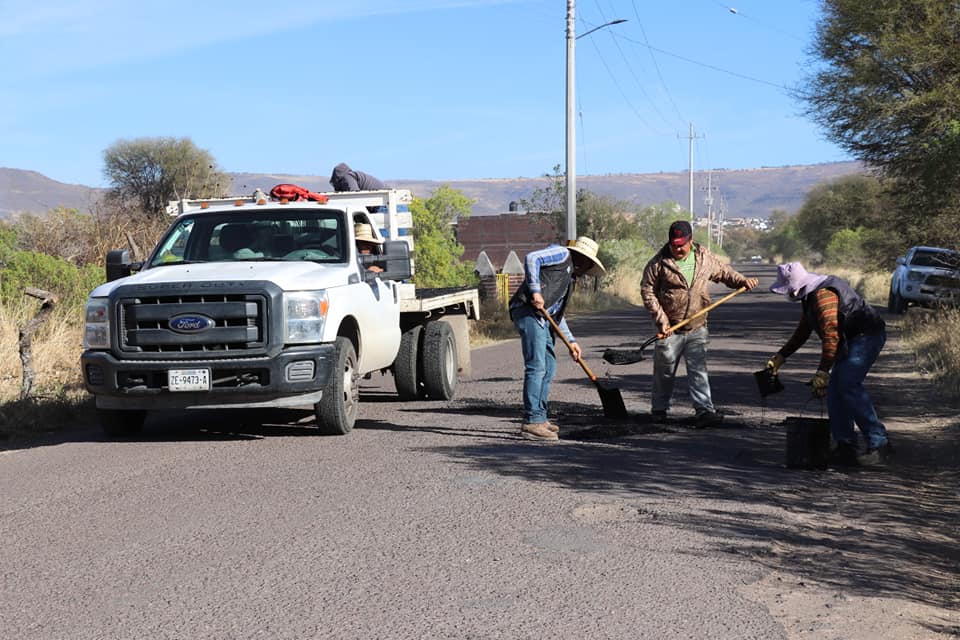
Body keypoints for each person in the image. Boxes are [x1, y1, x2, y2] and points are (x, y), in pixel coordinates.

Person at [765, 262, 891, 466]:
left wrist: (822, 372)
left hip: (866, 336)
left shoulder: (823, 296)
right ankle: (845, 446)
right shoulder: (810, 296)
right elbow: (803, 331)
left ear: (796, 287)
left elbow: (831, 336)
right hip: (850, 338)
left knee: (848, 384)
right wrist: (781, 356)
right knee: (835, 390)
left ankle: (879, 444)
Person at [640, 220, 759, 427]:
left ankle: (704, 411)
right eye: (673, 244)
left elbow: (725, 273)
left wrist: (742, 281)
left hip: (697, 325)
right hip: (670, 328)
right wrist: (661, 320)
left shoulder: (704, 258)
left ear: (690, 241)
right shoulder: (658, 263)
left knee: (698, 371)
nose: (677, 248)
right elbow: (647, 290)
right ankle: (659, 410)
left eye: (681, 245)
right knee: (664, 371)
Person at [508, 236, 605, 441]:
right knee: (537, 366)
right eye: (589, 264)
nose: (588, 270)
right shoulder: (562, 254)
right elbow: (532, 258)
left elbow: (555, 315)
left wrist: (571, 341)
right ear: (583, 259)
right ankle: (532, 421)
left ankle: (540, 418)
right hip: (527, 312)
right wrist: (535, 291)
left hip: (542, 318)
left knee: (550, 366)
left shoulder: (569, 279)